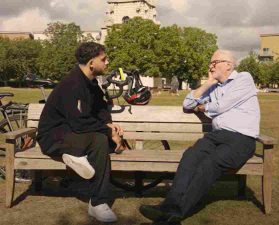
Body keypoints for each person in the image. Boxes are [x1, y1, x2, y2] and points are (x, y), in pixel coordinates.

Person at [139, 50, 260, 224]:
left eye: (214, 62)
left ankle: (176, 214)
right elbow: (187, 103)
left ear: (228, 65)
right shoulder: (214, 87)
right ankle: (168, 206)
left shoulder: (243, 78)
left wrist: (202, 107)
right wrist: (208, 83)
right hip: (217, 136)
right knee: (190, 156)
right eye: (210, 63)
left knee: (210, 164)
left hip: (241, 139)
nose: (210, 66)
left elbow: (220, 106)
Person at [37, 42, 125, 223]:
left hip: (72, 134)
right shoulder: (73, 84)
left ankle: (75, 155)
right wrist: (108, 133)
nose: (107, 62)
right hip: (54, 138)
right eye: (104, 59)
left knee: (105, 140)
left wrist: (110, 124)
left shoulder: (90, 82)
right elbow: (80, 122)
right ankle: (98, 203)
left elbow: (99, 108)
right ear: (92, 63)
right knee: (100, 140)